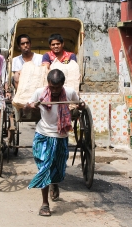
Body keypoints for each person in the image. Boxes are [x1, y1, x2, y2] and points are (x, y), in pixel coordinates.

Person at [25, 69, 83, 217]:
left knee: (58, 167)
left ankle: (54, 183)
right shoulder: (40, 93)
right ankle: (45, 203)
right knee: (44, 168)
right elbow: (27, 105)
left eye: (58, 87)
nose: (55, 91)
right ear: (48, 84)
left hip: (61, 137)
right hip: (43, 135)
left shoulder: (69, 93)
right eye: (52, 87)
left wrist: (81, 106)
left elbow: (79, 103)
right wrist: (31, 106)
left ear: (63, 84)